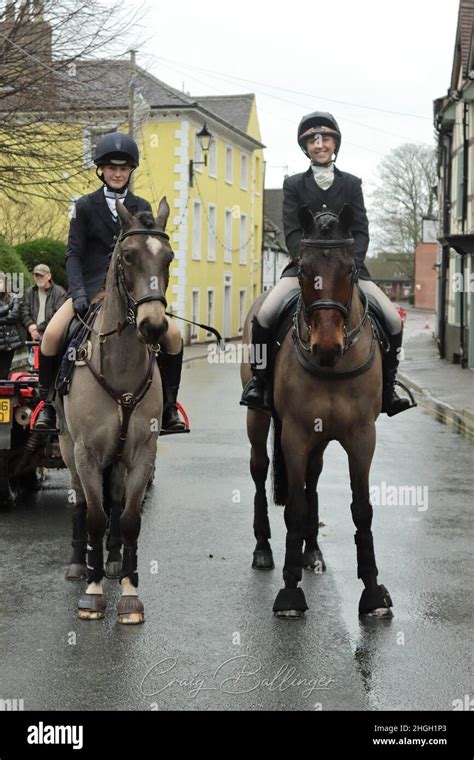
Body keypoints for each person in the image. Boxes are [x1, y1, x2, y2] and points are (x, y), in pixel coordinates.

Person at [240, 111, 411, 417]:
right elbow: (292, 230)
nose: (320, 144)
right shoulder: (293, 184)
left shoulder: (352, 184)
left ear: (335, 143)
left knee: (393, 321)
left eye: (325, 138)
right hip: (303, 272)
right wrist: (306, 263)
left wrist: (352, 265)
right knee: (264, 315)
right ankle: (260, 382)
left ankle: (390, 387)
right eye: (312, 140)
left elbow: (360, 229)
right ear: (305, 147)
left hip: (348, 272)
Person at [33, 132, 186, 432]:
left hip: (133, 292)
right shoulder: (85, 206)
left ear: (131, 171)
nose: (118, 173)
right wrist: (77, 293)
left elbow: (148, 254)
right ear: (101, 170)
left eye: (124, 167)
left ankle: (169, 407)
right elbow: (74, 255)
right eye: (111, 167)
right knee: (51, 335)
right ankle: (47, 406)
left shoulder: (142, 206)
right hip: (89, 290)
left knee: (174, 336)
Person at [21, 264, 66, 342]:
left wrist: (38, 327)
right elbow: (24, 311)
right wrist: (30, 326)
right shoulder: (29, 292)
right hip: (33, 336)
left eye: (41, 275)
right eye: (36, 275)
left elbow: (58, 316)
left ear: (49, 276)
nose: (39, 278)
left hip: (53, 335)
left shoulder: (59, 292)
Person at [0, 273, 23, 379]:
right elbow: (10, 314)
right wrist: (7, 310)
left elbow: (14, 315)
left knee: (5, 370)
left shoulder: (13, 297)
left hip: (9, 340)